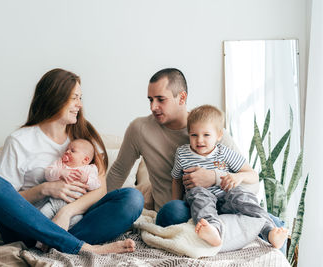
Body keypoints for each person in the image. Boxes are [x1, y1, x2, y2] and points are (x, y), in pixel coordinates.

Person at [106, 68, 285, 251]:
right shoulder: (140, 129)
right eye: (150, 100)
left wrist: (214, 177)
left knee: (249, 205)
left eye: (161, 99)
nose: (153, 107)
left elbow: (250, 182)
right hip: (180, 209)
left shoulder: (209, 129)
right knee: (174, 210)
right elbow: (118, 171)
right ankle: (216, 230)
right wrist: (103, 208)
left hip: (222, 203)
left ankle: (267, 228)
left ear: (182, 98)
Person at [0, 68, 144, 255]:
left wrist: (67, 212)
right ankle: (82, 247)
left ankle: (58, 242)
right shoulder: (19, 140)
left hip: (73, 223)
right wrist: (45, 189)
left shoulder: (83, 136)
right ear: (54, 97)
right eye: (74, 98)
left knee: (133, 199)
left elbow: (101, 189)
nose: (79, 105)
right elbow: (6, 201)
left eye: (81, 98)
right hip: (28, 230)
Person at [171, 104, 288, 248]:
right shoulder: (182, 153)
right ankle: (213, 230)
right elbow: (176, 180)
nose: (200, 140)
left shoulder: (224, 152)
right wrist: (174, 202)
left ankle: (269, 232)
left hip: (226, 196)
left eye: (206, 135)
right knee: (198, 194)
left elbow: (253, 175)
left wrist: (239, 177)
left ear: (219, 135)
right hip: (201, 198)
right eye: (194, 135)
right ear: (188, 134)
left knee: (242, 196)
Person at [41, 138, 100, 230]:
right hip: (53, 203)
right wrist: (60, 173)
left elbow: (96, 185)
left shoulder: (89, 169)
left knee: (77, 222)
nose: (67, 152)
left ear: (85, 160)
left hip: (74, 208)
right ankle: (39, 243)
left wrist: (86, 179)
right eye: (66, 150)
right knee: (42, 215)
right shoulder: (60, 164)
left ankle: (61, 240)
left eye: (72, 151)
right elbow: (48, 174)